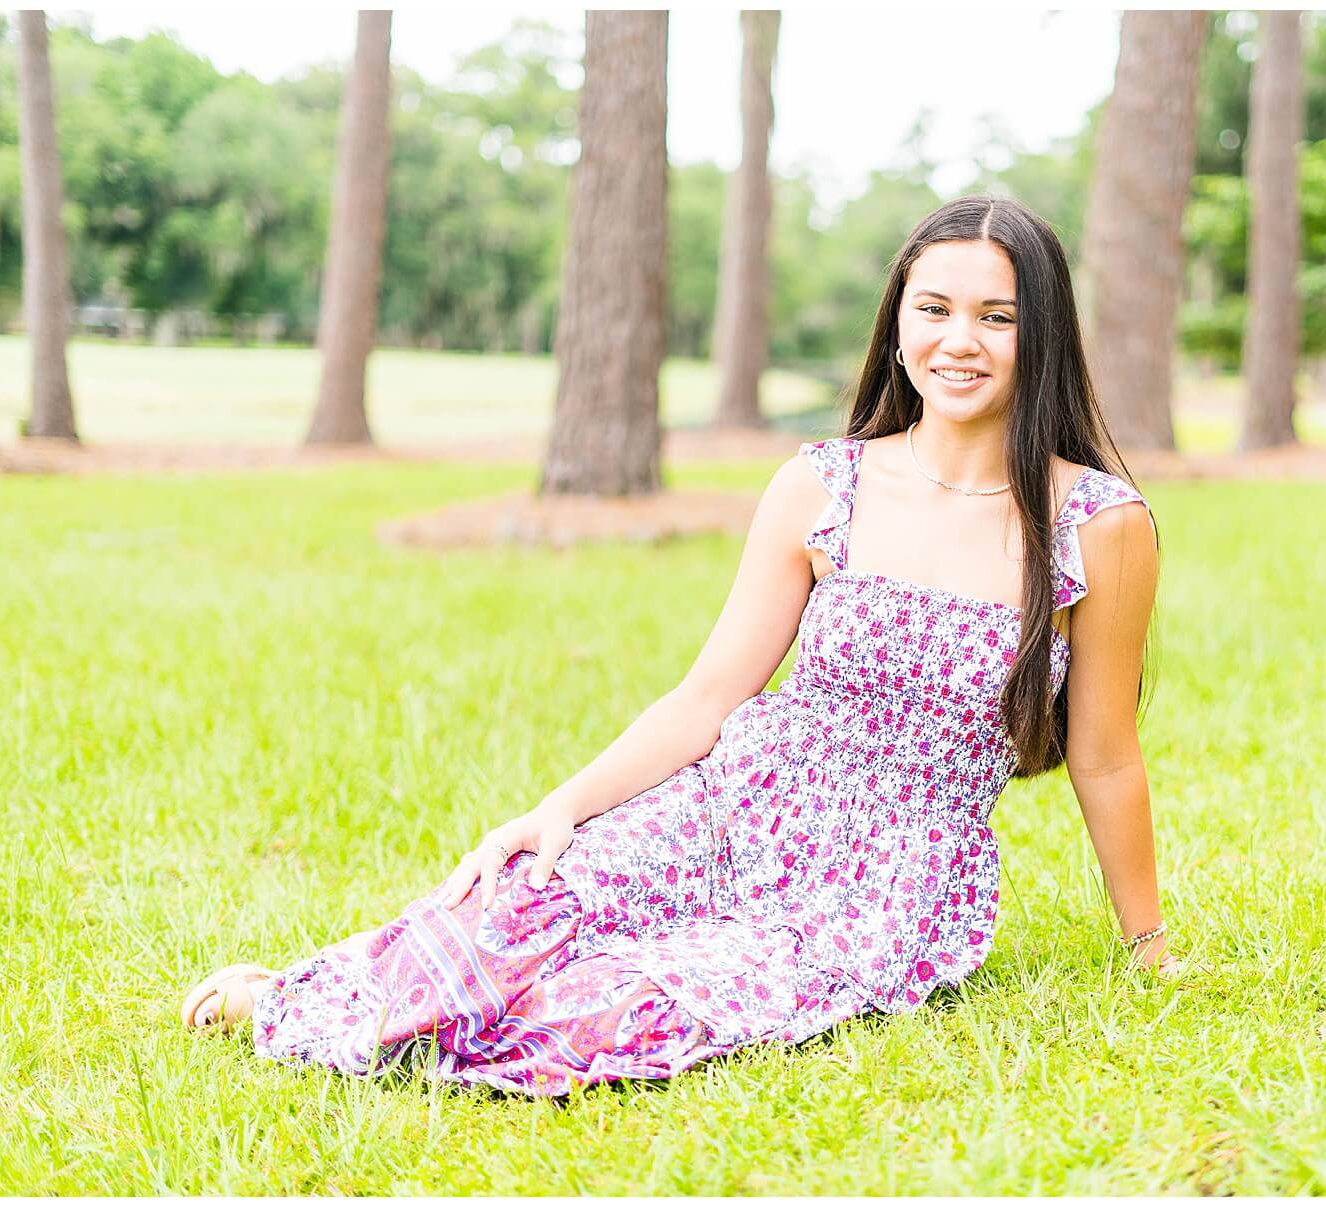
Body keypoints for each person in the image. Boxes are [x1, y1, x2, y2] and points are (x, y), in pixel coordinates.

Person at [179, 194, 1178, 1098]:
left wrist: (1149, 948)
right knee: (515, 908)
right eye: (935, 309)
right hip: (728, 811)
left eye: (996, 317)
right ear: (899, 321)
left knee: (606, 1016)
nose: (959, 340)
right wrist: (556, 810)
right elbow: (708, 699)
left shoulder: (1099, 524)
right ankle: (302, 997)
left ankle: (393, 1028)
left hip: (875, 888)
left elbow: (1104, 754)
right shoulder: (822, 484)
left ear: (1038, 334)